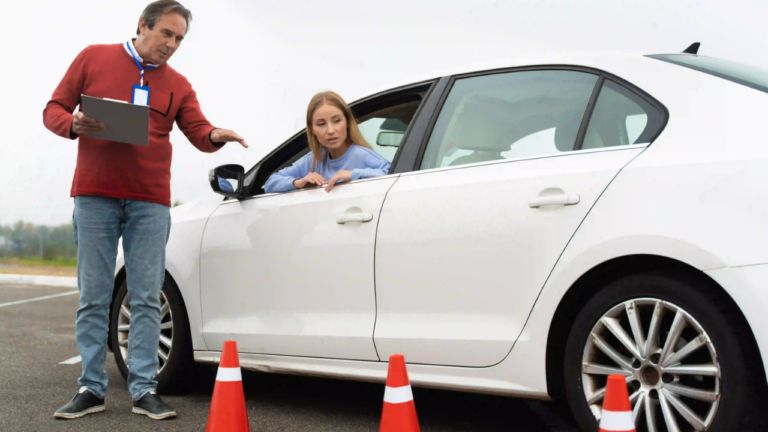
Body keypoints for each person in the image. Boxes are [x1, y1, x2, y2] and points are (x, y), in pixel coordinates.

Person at [43, 0, 248, 420]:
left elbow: (197, 130)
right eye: (166, 34)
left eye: (179, 39)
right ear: (143, 26)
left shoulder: (178, 83)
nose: (172, 44)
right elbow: (53, 110)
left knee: (146, 298)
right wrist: (73, 124)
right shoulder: (93, 57)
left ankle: (143, 389)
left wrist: (216, 134)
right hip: (95, 197)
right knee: (95, 296)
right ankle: (91, 388)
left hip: (150, 203)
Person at [264, 91, 391, 193]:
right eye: (321, 124)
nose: (330, 130)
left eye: (336, 121)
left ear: (347, 122)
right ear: (312, 129)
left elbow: (395, 174)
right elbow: (270, 183)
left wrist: (352, 174)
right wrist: (299, 182)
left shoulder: (362, 155)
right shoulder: (313, 160)